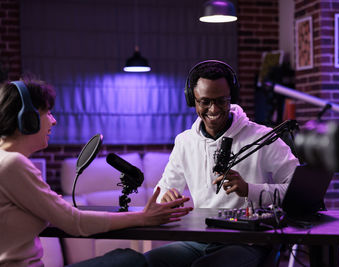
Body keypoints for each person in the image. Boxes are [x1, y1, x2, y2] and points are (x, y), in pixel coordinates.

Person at [0, 78, 193, 267]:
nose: (54, 120)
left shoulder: (5, 159)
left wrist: (49, 206)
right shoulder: (13, 164)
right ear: (28, 119)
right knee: (128, 259)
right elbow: (75, 222)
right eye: (48, 113)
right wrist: (144, 217)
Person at [144, 60, 299, 267]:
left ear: (231, 97)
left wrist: (249, 189)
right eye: (205, 102)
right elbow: (163, 190)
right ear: (192, 100)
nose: (214, 109)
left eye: (221, 101)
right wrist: (165, 196)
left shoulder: (263, 138)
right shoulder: (185, 141)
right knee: (148, 263)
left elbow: (299, 194)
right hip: (200, 239)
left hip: (250, 242)